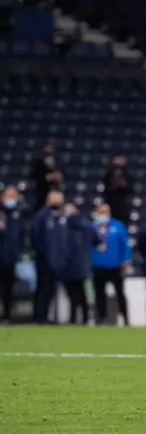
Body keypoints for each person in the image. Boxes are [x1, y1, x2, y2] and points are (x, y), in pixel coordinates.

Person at [30, 190, 70, 324]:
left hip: (58, 261)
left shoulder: (61, 216)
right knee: (43, 289)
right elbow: (35, 237)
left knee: (52, 290)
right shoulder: (42, 216)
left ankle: (50, 316)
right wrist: (44, 254)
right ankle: (40, 316)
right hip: (44, 260)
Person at [59, 203, 99, 325]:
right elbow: (97, 241)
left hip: (67, 265)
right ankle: (85, 318)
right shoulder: (87, 226)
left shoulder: (63, 227)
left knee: (73, 295)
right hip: (82, 265)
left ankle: (73, 318)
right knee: (82, 295)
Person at [91, 203, 131, 325]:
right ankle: (101, 318)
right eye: (101, 212)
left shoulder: (118, 226)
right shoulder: (92, 227)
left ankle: (125, 318)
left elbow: (125, 245)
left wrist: (125, 260)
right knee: (99, 294)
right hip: (97, 265)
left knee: (120, 293)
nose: (103, 215)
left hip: (115, 266)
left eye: (106, 212)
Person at [0, 186, 26, 323]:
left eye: (13, 196)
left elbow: (21, 234)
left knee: (8, 287)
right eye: (8, 196)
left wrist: (20, 252)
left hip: (11, 257)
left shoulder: (19, 213)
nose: (10, 199)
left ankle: (7, 315)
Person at [31, 139, 63, 211]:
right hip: (42, 191)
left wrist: (58, 176)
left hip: (54, 190)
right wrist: (48, 177)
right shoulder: (38, 161)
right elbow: (35, 175)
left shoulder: (56, 159)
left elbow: (62, 172)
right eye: (48, 147)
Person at [102, 154, 134, 228]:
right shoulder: (108, 174)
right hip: (111, 204)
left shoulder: (127, 175)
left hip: (123, 206)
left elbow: (130, 188)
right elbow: (106, 187)